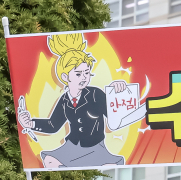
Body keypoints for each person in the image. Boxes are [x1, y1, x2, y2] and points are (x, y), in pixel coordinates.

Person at [17, 33, 128, 169]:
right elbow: (53, 125)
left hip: (96, 147)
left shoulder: (95, 94)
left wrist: (116, 94)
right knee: (49, 160)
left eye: (87, 73)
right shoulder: (64, 100)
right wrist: (30, 123)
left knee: (113, 164)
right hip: (71, 147)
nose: (84, 77)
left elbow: (114, 120)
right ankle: (66, 170)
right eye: (78, 74)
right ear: (65, 76)